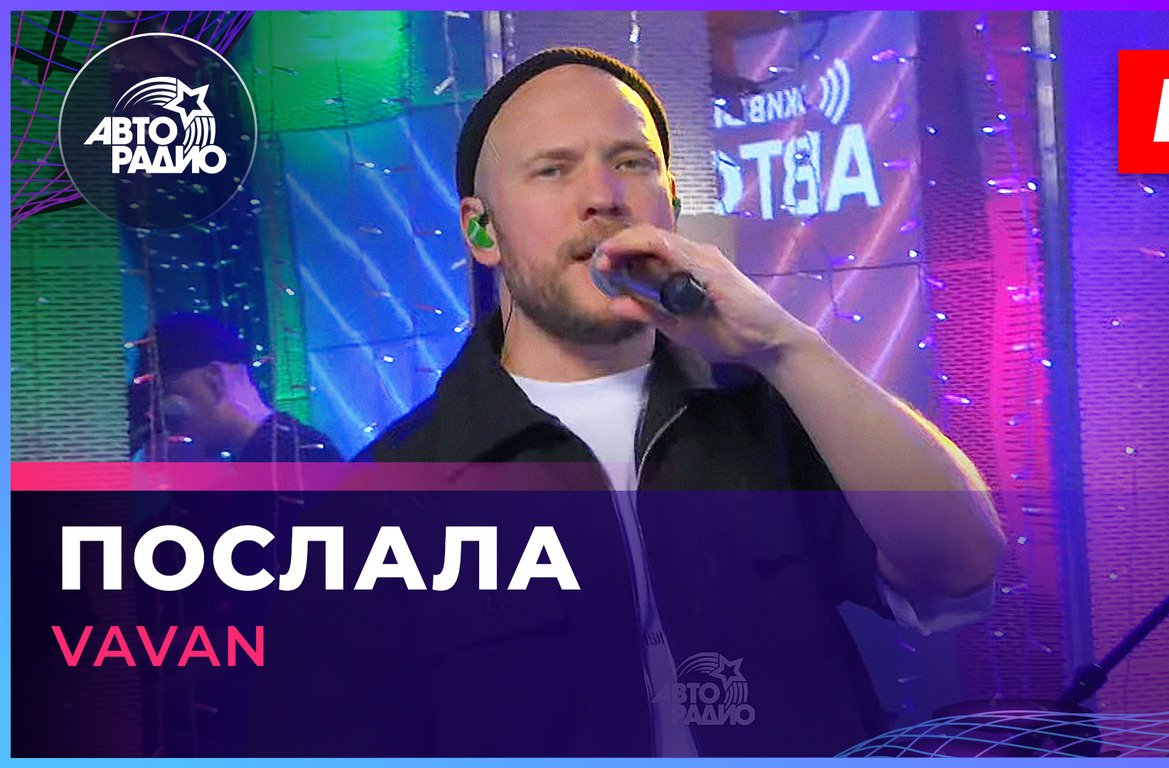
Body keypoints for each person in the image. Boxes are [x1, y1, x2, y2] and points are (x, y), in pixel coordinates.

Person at [253, 47, 1003, 757]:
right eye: (552, 170)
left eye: (631, 163)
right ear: (482, 230)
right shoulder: (382, 501)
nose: (603, 197)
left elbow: (960, 565)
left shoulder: (767, 411)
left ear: (670, 202)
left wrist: (785, 347)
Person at [129, 312, 342, 462]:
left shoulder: (283, 463)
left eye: (166, 396)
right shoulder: (292, 448)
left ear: (215, 379)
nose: (167, 425)